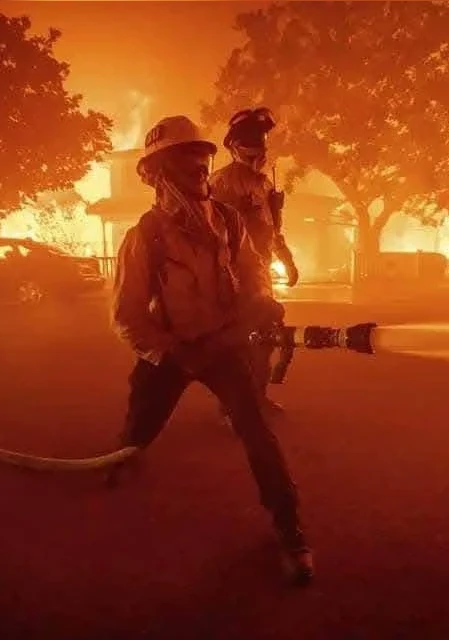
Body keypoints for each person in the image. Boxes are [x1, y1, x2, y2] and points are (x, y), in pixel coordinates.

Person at [106, 114, 315, 586]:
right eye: (188, 161)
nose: (201, 170)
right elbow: (127, 316)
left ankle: (290, 530)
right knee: (135, 437)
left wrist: (261, 304)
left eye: (203, 159)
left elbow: (250, 273)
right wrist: (172, 355)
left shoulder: (227, 221)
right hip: (170, 352)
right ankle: (117, 466)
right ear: (158, 172)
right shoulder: (145, 236)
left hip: (221, 347)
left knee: (258, 433)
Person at [209, 107, 297, 421]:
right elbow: (212, 233)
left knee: (267, 337)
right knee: (240, 345)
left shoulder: (263, 184)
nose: (258, 146)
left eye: (260, 138)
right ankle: (235, 407)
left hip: (261, 274)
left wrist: (287, 260)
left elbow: (273, 228)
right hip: (235, 275)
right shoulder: (220, 183)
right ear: (232, 146)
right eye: (249, 139)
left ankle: (257, 398)